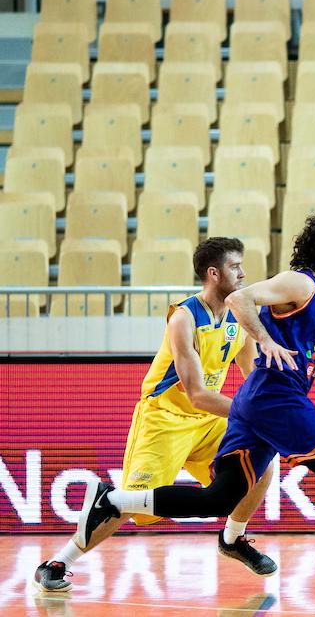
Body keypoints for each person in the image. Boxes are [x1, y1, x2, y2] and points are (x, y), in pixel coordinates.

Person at [71, 218, 315, 600]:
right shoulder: (301, 282)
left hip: (258, 401)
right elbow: (238, 299)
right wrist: (265, 340)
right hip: (275, 396)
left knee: (220, 498)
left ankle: (113, 500)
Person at [34, 238, 276, 592]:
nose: (243, 273)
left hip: (208, 421)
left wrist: (276, 406)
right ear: (213, 273)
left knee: (264, 459)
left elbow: (252, 375)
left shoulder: (239, 316)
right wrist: (251, 413)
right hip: (165, 417)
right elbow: (195, 393)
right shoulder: (183, 317)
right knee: (135, 502)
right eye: (235, 266)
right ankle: (58, 563)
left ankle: (233, 537)